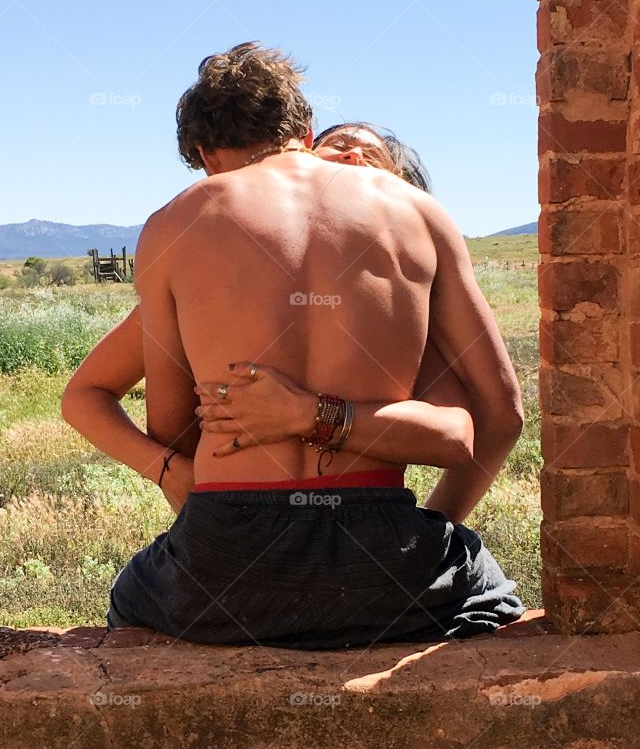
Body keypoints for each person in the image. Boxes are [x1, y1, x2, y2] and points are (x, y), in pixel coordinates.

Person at [63, 43, 525, 648]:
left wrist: (190, 463)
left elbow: (173, 425)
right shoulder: (419, 212)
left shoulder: (174, 223)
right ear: (304, 130)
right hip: (385, 554)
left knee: (132, 601)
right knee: (495, 603)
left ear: (204, 154)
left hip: (226, 560)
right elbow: (501, 410)